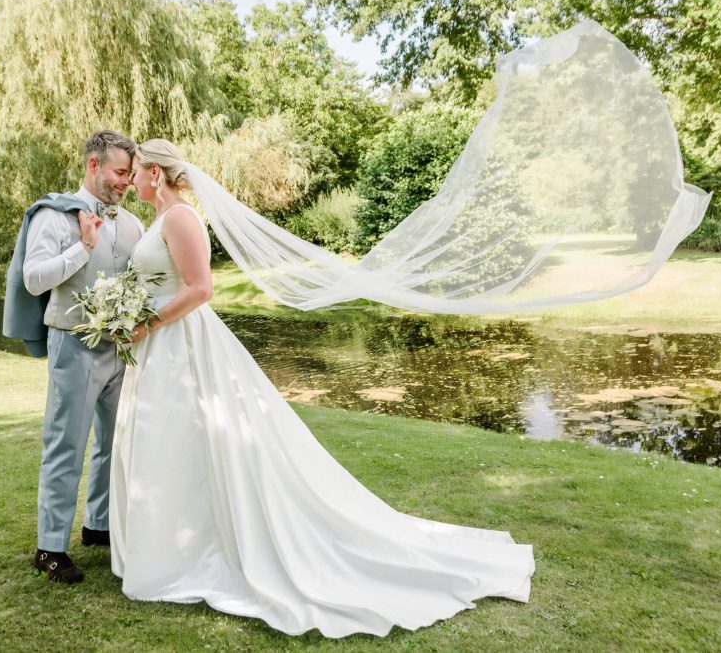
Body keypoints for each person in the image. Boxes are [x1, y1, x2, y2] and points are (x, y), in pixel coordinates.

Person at [108, 139, 534, 638]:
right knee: (172, 446)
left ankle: (192, 555)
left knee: (188, 442)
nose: (131, 179)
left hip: (180, 344)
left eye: (136, 170)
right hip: (160, 347)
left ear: (155, 174)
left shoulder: (181, 218)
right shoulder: (161, 220)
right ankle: (168, 548)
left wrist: (143, 326)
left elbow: (201, 290)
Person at [7, 130, 144, 583]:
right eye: (120, 171)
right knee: (66, 444)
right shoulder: (55, 214)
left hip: (119, 348)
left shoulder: (132, 225)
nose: (127, 181)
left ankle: (98, 525)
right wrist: (82, 246)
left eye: (130, 173)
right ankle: (49, 548)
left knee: (112, 442)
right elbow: (33, 280)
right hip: (74, 345)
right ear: (93, 166)